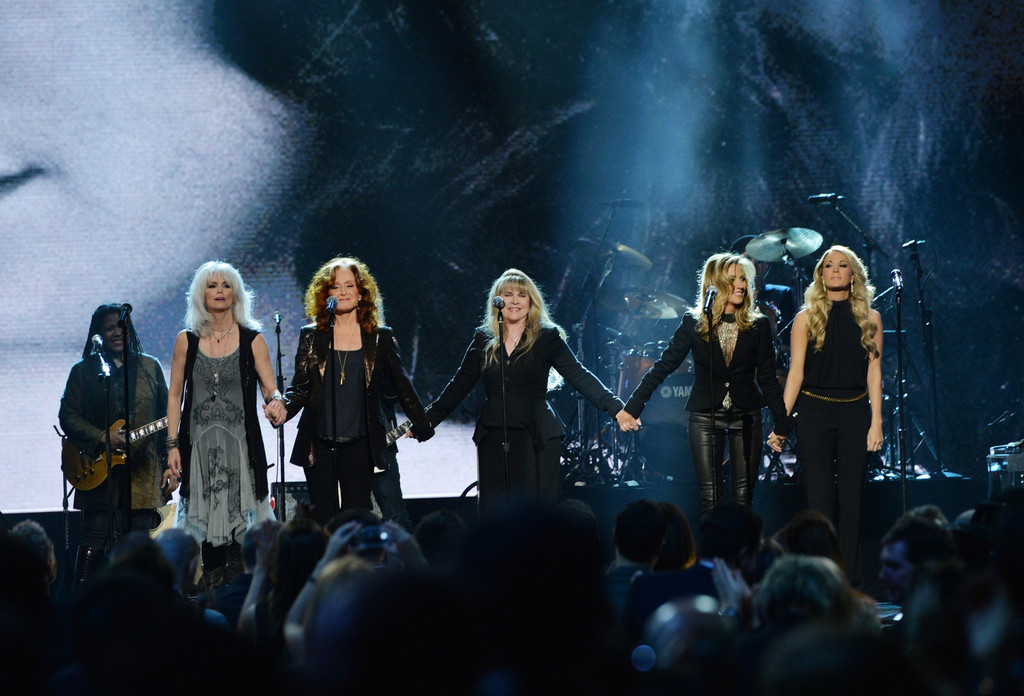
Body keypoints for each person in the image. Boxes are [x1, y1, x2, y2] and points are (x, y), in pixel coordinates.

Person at [426, 268, 627, 515]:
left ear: (531, 301)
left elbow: (579, 375)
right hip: (494, 433)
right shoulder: (484, 339)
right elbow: (459, 385)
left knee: (536, 514)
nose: (514, 300)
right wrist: (427, 420)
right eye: (508, 294)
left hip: (537, 436)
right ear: (497, 301)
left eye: (521, 295)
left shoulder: (547, 337)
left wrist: (616, 407)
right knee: (495, 514)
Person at [617, 253, 791, 514]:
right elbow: (665, 365)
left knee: (743, 499)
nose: (741, 285)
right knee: (710, 499)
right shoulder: (695, 322)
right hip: (705, 417)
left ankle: (740, 553)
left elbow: (767, 378)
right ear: (715, 283)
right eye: (733, 279)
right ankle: (713, 553)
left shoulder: (759, 325)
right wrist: (632, 406)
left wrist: (781, 424)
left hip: (746, 417)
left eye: (744, 279)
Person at [265, 257, 434, 526]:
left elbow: (404, 387)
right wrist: (283, 406)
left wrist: (424, 426)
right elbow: (301, 387)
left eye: (349, 285)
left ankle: (354, 568)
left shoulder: (379, 336)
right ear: (325, 294)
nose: (343, 292)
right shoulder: (311, 336)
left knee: (356, 519)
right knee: (324, 520)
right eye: (335, 286)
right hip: (318, 444)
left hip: (360, 443)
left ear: (361, 292)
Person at [772, 245, 883, 583]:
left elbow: (875, 373)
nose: (835, 270)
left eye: (842, 265)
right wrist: (782, 423)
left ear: (853, 274)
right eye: (828, 265)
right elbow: (795, 373)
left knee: (852, 500)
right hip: (814, 411)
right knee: (819, 499)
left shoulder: (871, 318)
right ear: (820, 274)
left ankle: (848, 581)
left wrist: (876, 421)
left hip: (854, 412)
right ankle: (822, 578)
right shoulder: (806, 318)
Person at [167, 261, 280, 587]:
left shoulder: (252, 340)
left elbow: (271, 389)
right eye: (212, 285)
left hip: (241, 452)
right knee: (207, 540)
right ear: (201, 293)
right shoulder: (185, 341)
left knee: (243, 540)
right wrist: (172, 445)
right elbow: (175, 396)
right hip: (199, 452)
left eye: (226, 285)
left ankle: (242, 601)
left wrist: (277, 403)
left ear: (236, 293)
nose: (219, 291)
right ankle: (214, 599)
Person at [59, 304, 176, 586]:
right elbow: (68, 417)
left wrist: (169, 462)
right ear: (97, 333)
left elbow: (168, 417)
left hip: (144, 471)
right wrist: (102, 436)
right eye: (109, 327)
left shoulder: (149, 367)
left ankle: (140, 604)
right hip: (98, 470)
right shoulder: (84, 371)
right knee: (95, 538)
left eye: (120, 326)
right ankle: (83, 600)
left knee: (138, 542)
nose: (116, 332)